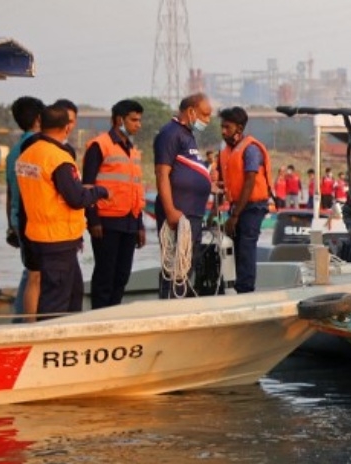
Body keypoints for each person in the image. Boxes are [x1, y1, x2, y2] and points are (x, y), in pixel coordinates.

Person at [17, 103, 109, 316]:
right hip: (57, 239)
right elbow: (76, 198)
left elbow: (47, 191)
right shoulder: (58, 158)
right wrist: (99, 192)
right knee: (56, 302)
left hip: (38, 235)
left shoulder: (28, 154)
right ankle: (48, 345)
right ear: (67, 127)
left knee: (73, 294)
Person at [81, 99, 146, 309]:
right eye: (134, 120)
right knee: (105, 276)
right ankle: (100, 317)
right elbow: (88, 186)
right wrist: (93, 220)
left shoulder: (132, 150)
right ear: (119, 120)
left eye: (139, 120)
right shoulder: (99, 146)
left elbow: (135, 189)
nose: (138, 124)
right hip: (106, 222)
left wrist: (140, 224)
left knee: (122, 276)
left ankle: (113, 314)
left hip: (129, 221)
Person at [153, 93, 214, 299]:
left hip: (193, 215)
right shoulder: (170, 133)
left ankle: (182, 305)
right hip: (179, 214)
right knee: (174, 269)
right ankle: (169, 307)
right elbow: (162, 173)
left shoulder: (188, 136)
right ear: (190, 111)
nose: (208, 120)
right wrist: (170, 211)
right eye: (205, 115)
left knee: (188, 267)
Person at [218, 106, 274, 294]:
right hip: (237, 206)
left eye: (227, 127)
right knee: (234, 246)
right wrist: (216, 211)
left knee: (246, 246)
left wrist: (235, 216)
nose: (223, 131)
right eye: (222, 127)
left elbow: (249, 182)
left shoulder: (250, 150)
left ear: (239, 129)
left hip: (253, 206)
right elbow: (221, 182)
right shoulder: (225, 152)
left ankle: (246, 290)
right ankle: (233, 285)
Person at [4, 96, 44, 321]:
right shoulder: (36, 148)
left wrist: (11, 224)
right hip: (35, 221)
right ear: (40, 118)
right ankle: (23, 322)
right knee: (35, 275)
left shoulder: (13, 151)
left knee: (31, 272)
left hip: (19, 218)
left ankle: (21, 319)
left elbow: (10, 191)